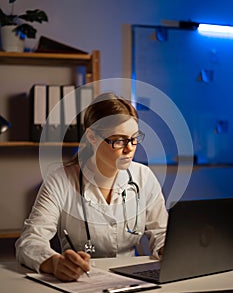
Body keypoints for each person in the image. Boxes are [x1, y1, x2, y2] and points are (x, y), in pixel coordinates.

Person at [15, 92, 168, 281]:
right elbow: (29, 241)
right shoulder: (60, 180)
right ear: (92, 137)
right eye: (119, 140)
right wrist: (54, 263)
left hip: (132, 281)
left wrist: (165, 248)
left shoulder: (143, 177)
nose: (130, 148)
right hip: (79, 282)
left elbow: (161, 232)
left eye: (134, 138)